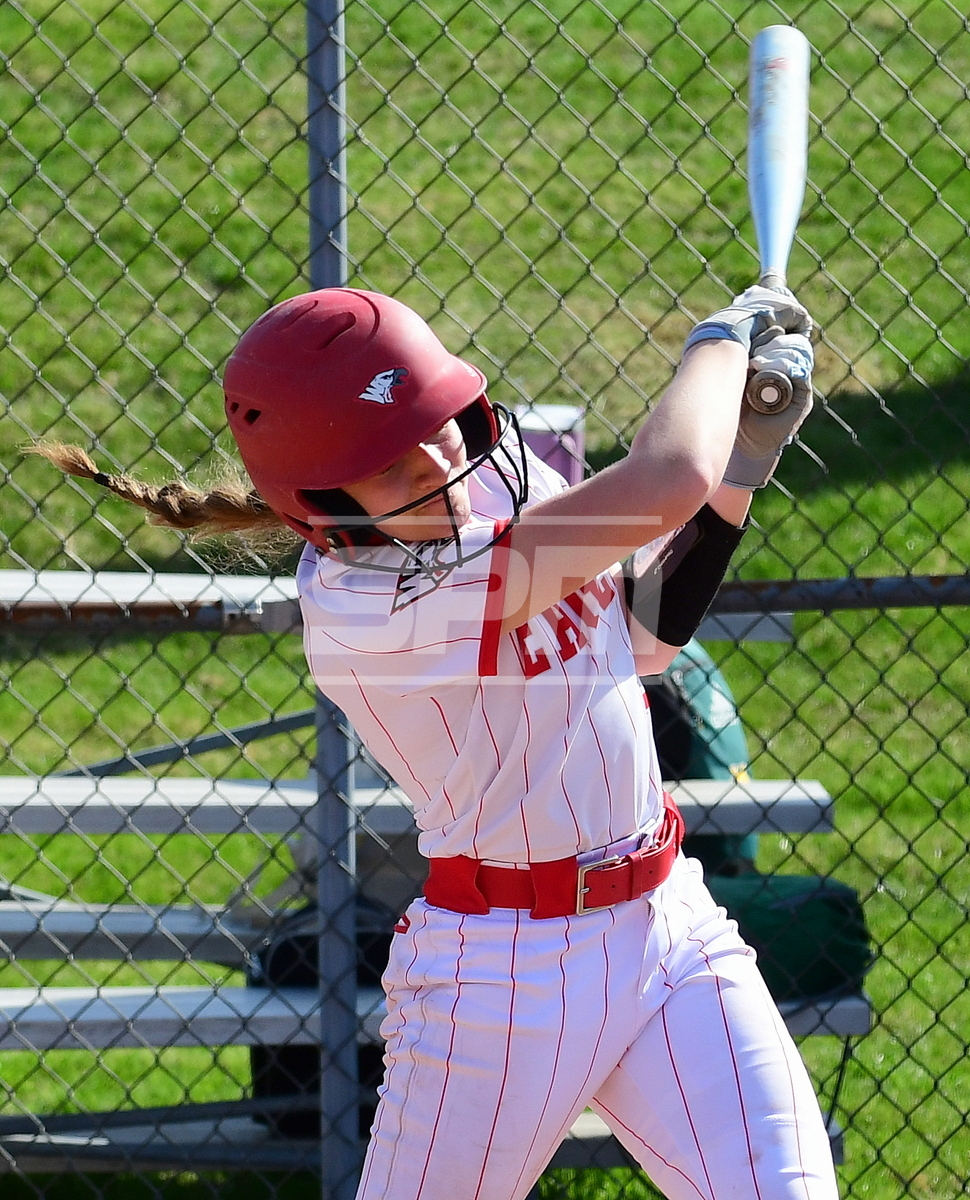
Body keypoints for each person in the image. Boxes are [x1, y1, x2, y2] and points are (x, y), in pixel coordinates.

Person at [32, 284, 835, 1200]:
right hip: (507, 977)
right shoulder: (368, 609)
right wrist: (722, 340)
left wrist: (742, 460)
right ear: (320, 504)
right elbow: (664, 479)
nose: (433, 465)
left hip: (669, 922)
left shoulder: (489, 475)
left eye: (434, 424)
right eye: (388, 466)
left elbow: (640, 634)